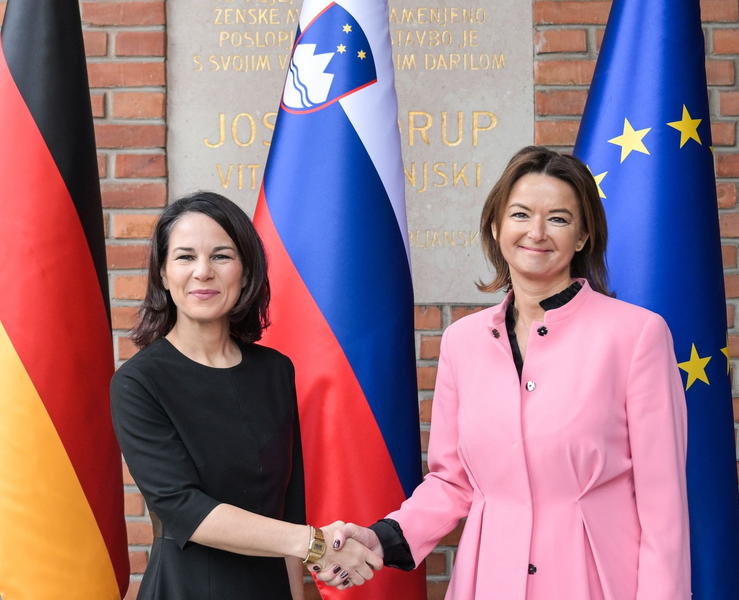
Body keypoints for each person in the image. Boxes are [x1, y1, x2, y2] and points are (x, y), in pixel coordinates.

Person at [324, 146, 691, 599]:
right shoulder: (462, 342)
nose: (536, 232)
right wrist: (381, 537)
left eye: (558, 218)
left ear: (582, 236)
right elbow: (451, 482)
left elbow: (663, 506)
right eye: (520, 214)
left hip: (597, 580)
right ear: (496, 227)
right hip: (490, 580)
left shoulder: (637, 335)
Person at [110, 191, 381, 599]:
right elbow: (186, 509)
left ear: (245, 269)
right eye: (185, 257)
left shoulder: (274, 370)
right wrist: (317, 544)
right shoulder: (138, 383)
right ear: (163, 275)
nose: (203, 272)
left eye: (221, 256)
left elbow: (289, 507)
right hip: (185, 588)